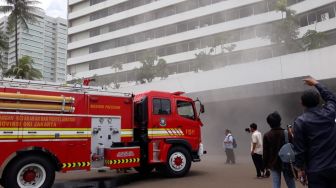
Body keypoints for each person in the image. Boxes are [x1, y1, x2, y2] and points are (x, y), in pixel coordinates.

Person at [293, 77, 336, 188]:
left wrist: (300, 169)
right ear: (318, 101)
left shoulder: (300, 122)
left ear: (301, 103)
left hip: (315, 171)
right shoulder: (329, 113)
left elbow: (300, 149)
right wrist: (316, 83)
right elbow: (331, 98)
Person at [263, 111, 296, 188]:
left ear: (269, 123)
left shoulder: (267, 135)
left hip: (273, 162)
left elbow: (265, 151)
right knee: (290, 183)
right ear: (280, 121)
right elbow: (293, 146)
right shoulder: (287, 133)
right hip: (287, 162)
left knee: (276, 183)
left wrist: (265, 165)